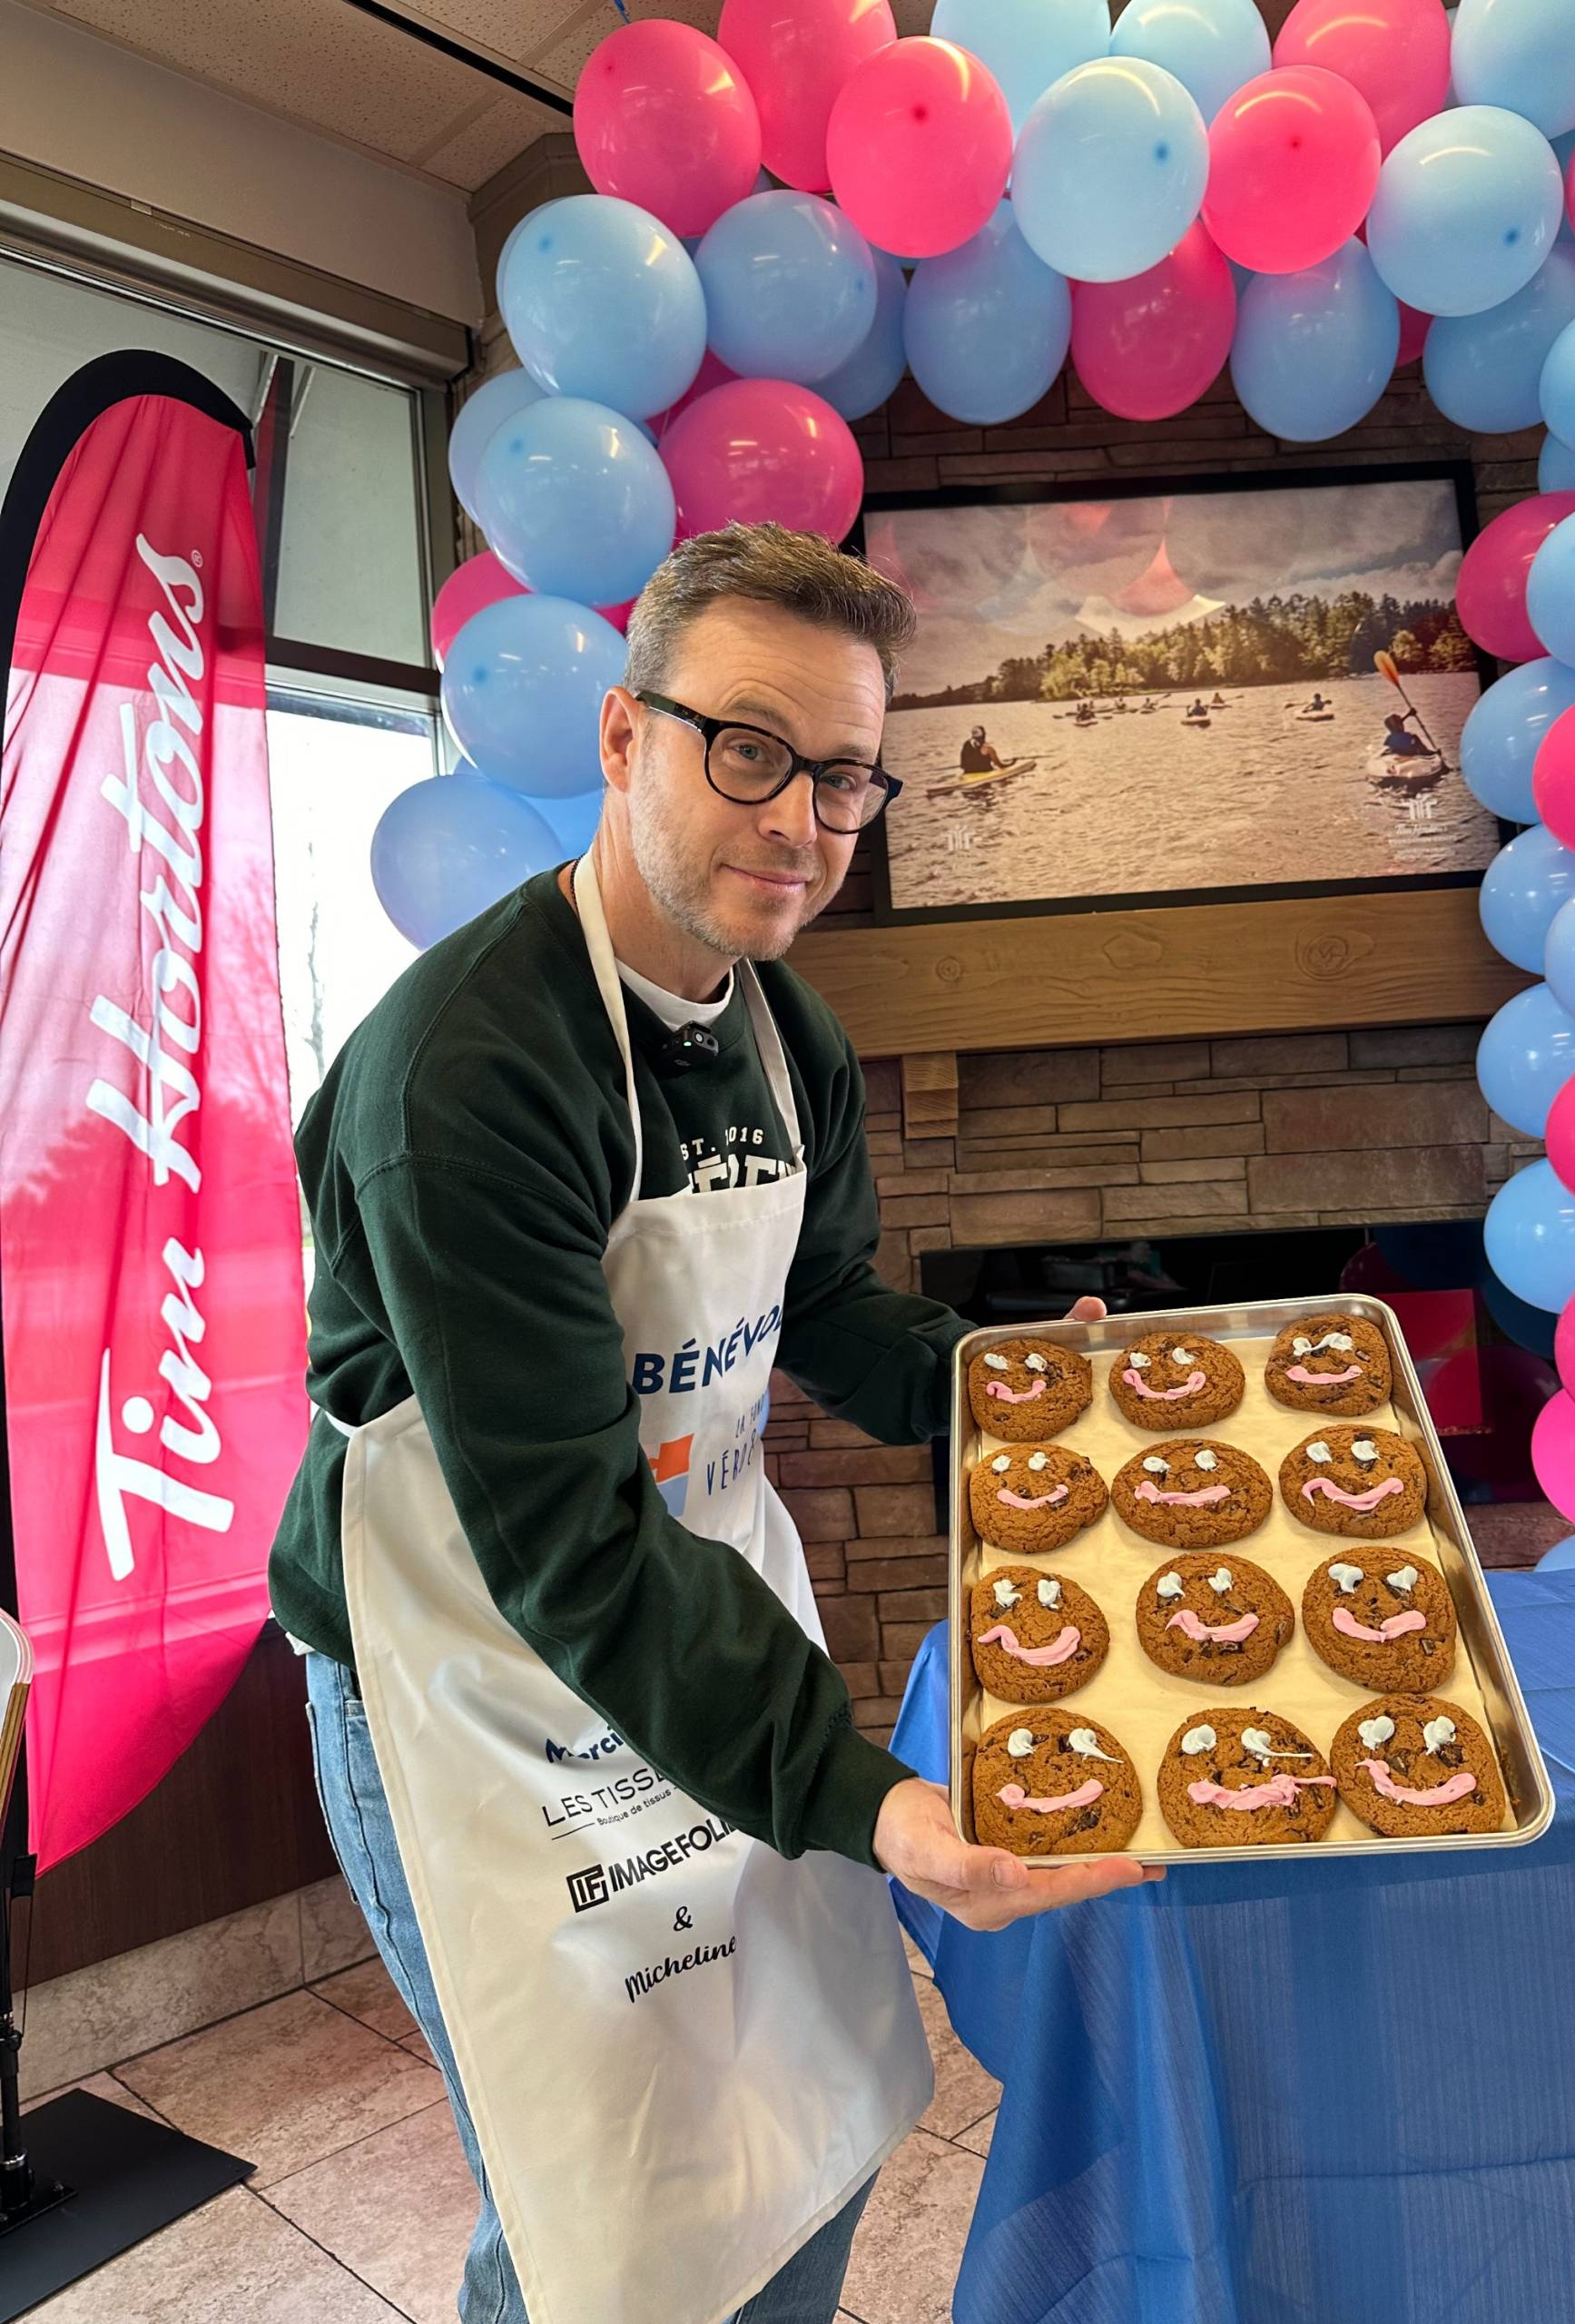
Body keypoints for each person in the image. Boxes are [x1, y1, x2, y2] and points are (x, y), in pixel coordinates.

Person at [271, 522, 1151, 2324]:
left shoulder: (785, 1033)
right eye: (745, 746)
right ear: (621, 738)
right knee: (605, 2200)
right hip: (472, 1678)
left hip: (691, 1623)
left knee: (800, 2121)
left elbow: (822, 1306)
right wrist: (870, 1799)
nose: (800, 819)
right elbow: (566, 1544)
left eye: (842, 776)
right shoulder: (473, 1073)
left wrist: (1013, 1378)